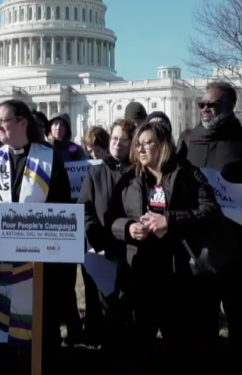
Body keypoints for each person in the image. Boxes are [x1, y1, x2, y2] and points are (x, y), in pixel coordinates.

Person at [105, 122, 221, 374]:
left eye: (148, 143)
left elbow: (211, 211)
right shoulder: (129, 179)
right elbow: (111, 219)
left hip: (179, 273)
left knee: (179, 344)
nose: (141, 148)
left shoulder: (187, 174)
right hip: (141, 273)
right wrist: (127, 228)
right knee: (140, 343)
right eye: (138, 144)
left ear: (164, 146)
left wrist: (170, 220)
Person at [177, 81, 242, 374]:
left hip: (238, 252)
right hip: (197, 252)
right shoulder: (187, 139)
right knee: (200, 330)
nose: (205, 109)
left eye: (213, 105)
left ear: (230, 107)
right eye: (202, 104)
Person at [0, 100, 72, 368]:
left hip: (40, 260)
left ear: (23, 123)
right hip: (0, 255)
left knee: (40, 321)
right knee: (1, 319)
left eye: (3, 121)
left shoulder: (49, 157)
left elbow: (62, 205)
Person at [79, 119, 134, 348]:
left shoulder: (140, 171)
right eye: (114, 138)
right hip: (104, 250)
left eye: (123, 139)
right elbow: (85, 208)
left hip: (133, 250)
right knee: (107, 311)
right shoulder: (96, 172)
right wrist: (95, 238)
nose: (117, 144)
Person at [47, 112, 88, 343]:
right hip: (49, 219)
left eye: (62, 125)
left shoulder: (76, 151)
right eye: (55, 125)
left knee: (67, 280)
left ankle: (74, 328)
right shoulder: (43, 150)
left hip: (71, 217)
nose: (58, 129)